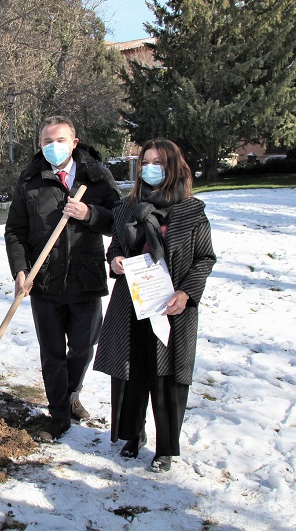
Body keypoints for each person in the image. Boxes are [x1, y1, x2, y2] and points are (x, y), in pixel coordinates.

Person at [94, 139, 215, 472]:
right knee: (131, 374)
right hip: (130, 304)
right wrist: (116, 261)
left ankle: (165, 448)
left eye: (158, 162)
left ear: (173, 166)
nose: (150, 168)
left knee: (165, 376)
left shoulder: (191, 211)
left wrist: (186, 294)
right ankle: (133, 435)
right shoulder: (125, 208)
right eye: (145, 161)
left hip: (171, 307)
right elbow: (115, 248)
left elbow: (205, 258)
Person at [4, 115, 121, 442]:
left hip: (86, 279)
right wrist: (20, 270)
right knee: (52, 352)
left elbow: (120, 221)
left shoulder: (95, 177)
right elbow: (15, 231)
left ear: (74, 142)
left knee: (83, 347)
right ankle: (58, 414)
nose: (53, 147)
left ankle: (71, 393)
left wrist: (90, 214)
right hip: (44, 282)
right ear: (40, 145)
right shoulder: (31, 181)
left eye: (60, 140)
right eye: (46, 141)